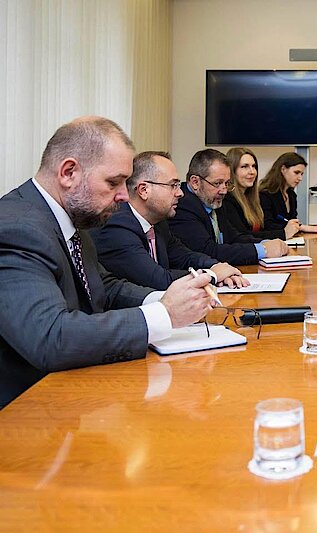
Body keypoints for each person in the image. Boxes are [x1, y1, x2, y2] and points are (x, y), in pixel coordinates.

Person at [0, 116, 213, 408]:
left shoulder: (71, 219)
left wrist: (168, 299)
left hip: (73, 392)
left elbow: (104, 287)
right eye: (114, 182)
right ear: (69, 172)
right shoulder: (17, 229)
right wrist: (164, 315)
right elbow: (51, 337)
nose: (124, 195)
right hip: (26, 411)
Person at [91, 151, 249, 291]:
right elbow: (158, 280)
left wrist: (216, 266)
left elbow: (184, 256)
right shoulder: (117, 225)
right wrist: (212, 275)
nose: (180, 193)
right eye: (173, 185)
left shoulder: (159, 222)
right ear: (144, 190)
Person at [169, 149, 289, 266]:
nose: (224, 191)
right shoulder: (182, 205)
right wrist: (263, 250)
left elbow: (233, 237)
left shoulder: (212, 200)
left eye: (227, 183)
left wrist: (265, 243)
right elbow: (208, 251)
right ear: (195, 182)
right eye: (217, 183)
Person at [220, 147, 286, 241]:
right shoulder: (227, 200)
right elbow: (242, 236)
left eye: (254, 166)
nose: (252, 172)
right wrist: (283, 233)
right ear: (231, 171)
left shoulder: (251, 198)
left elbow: (264, 229)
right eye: (244, 167)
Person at [258, 152, 317, 239]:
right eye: (296, 173)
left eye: (301, 174)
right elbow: (267, 226)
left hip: (289, 241)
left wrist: (307, 228)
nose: (300, 178)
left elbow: (293, 222)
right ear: (283, 169)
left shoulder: (291, 195)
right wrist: (302, 227)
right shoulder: (265, 194)